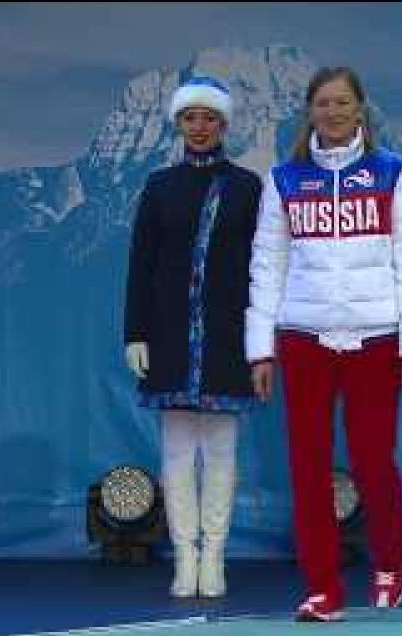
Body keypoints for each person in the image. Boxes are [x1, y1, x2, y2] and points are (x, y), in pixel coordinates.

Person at [245, 66, 402, 621]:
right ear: (310, 112)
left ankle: (390, 562)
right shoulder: (284, 180)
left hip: (376, 338)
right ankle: (323, 588)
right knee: (307, 466)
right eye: (322, 103)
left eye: (342, 102)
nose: (332, 112)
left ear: (360, 109)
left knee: (373, 460)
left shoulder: (393, 174)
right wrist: (261, 349)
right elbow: (268, 265)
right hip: (304, 338)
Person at [123, 76, 262, 598]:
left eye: (209, 118)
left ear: (224, 125)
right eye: (190, 118)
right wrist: (136, 331)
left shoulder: (248, 187)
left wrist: (259, 338)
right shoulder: (159, 186)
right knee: (178, 451)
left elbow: (261, 267)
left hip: (227, 335)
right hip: (170, 334)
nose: (199, 127)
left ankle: (215, 556)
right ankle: (184, 556)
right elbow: (141, 263)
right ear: (178, 125)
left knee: (222, 450)